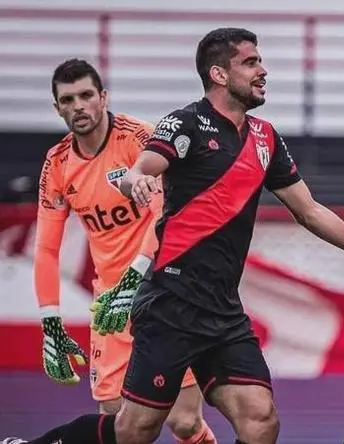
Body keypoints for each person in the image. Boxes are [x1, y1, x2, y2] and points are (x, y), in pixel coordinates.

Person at [3, 27, 344, 444]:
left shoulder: (266, 138)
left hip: (223, 311)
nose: (263, 70)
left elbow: (309, 211)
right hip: (171, 304)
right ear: (219, 74)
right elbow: (140, 169)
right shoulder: (185, 123)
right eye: (251, 62)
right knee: (134, 430)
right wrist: (136, 181)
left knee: (260, 420)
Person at [29, 58, 216, 444]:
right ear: (57, 108)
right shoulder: (57, 163)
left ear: (103, 97)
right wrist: (50, 322)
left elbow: (165, 215)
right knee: (117, 421)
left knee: (183, 422)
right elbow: (46, 248)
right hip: (111, 307)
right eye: (68, 100)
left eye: (86, 95)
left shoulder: (138, 139)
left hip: (166, 293)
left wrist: (135, 278)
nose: (78, 106)